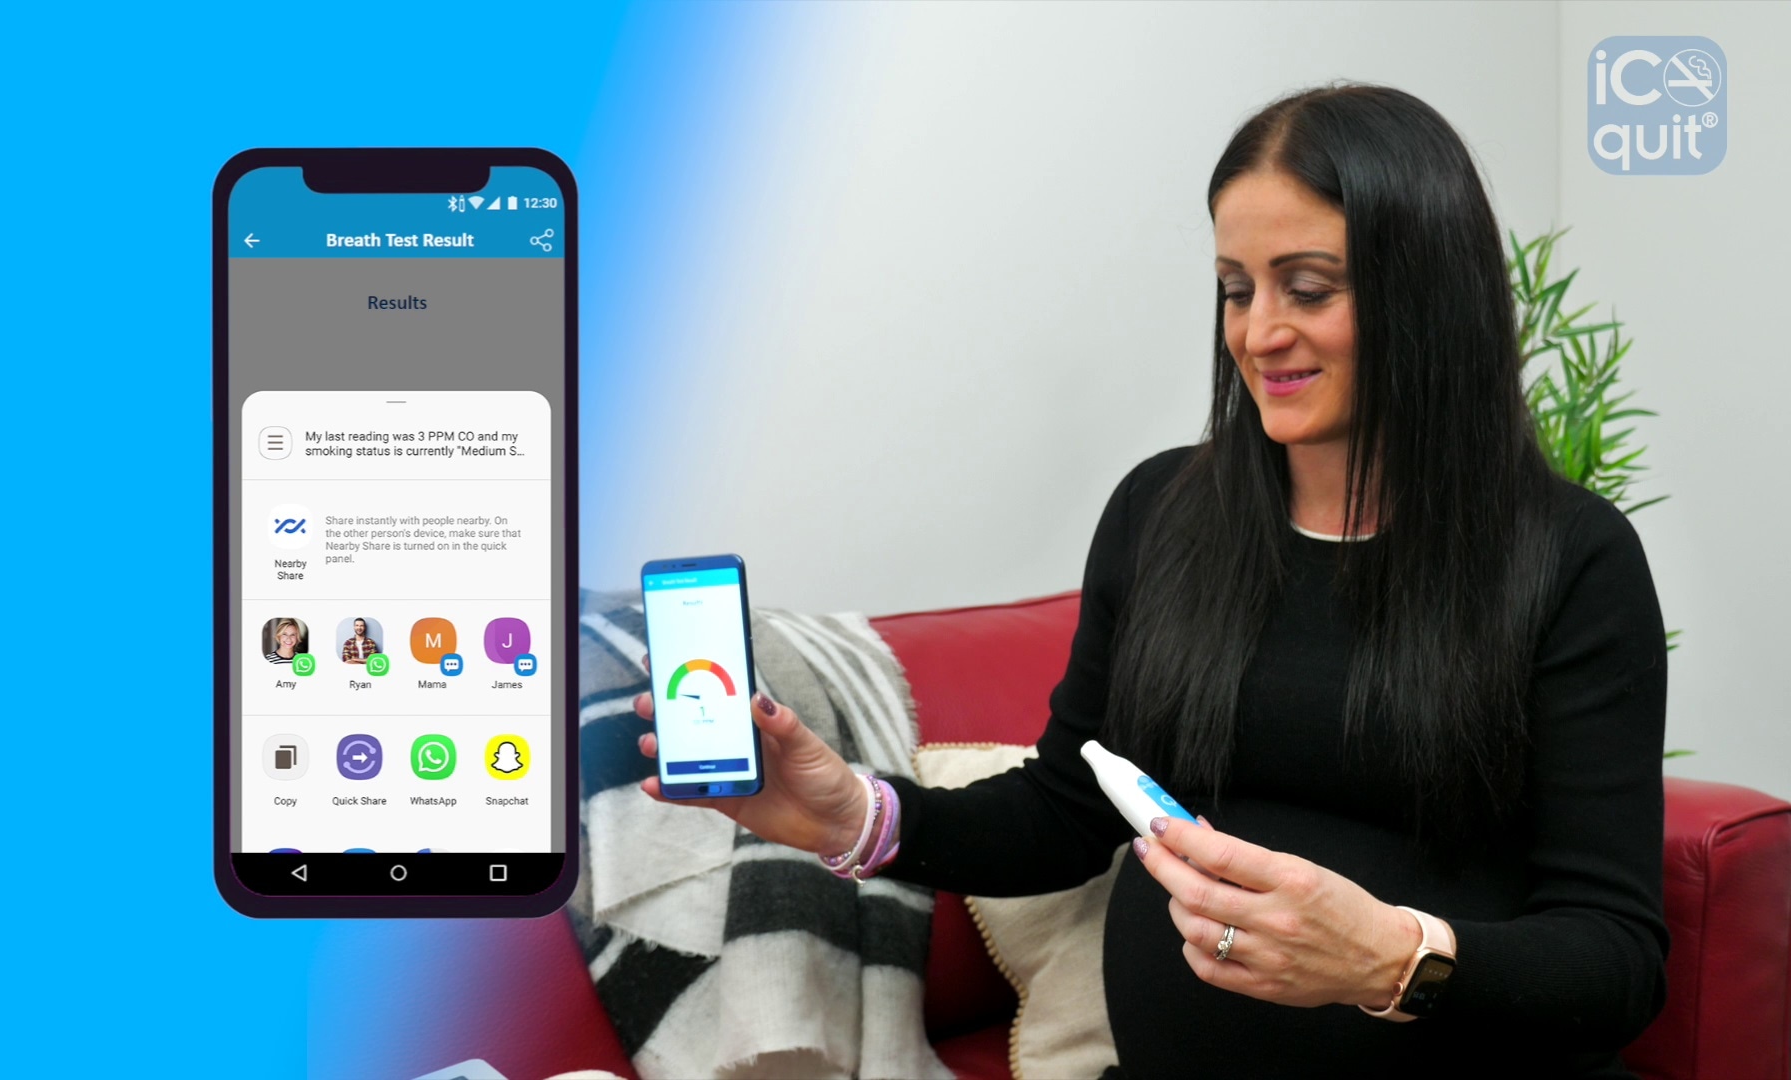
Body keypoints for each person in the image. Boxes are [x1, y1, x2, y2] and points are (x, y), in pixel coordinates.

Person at [633, 83, 1667, 1077]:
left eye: (1309, 289)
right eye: (1237, 289)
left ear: (1427, 295)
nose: (1259, 332)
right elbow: (1064, 813)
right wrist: (854, 816)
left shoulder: (1570, 558)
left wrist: (1389, 960)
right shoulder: (1162, 513)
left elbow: (1615, 960)